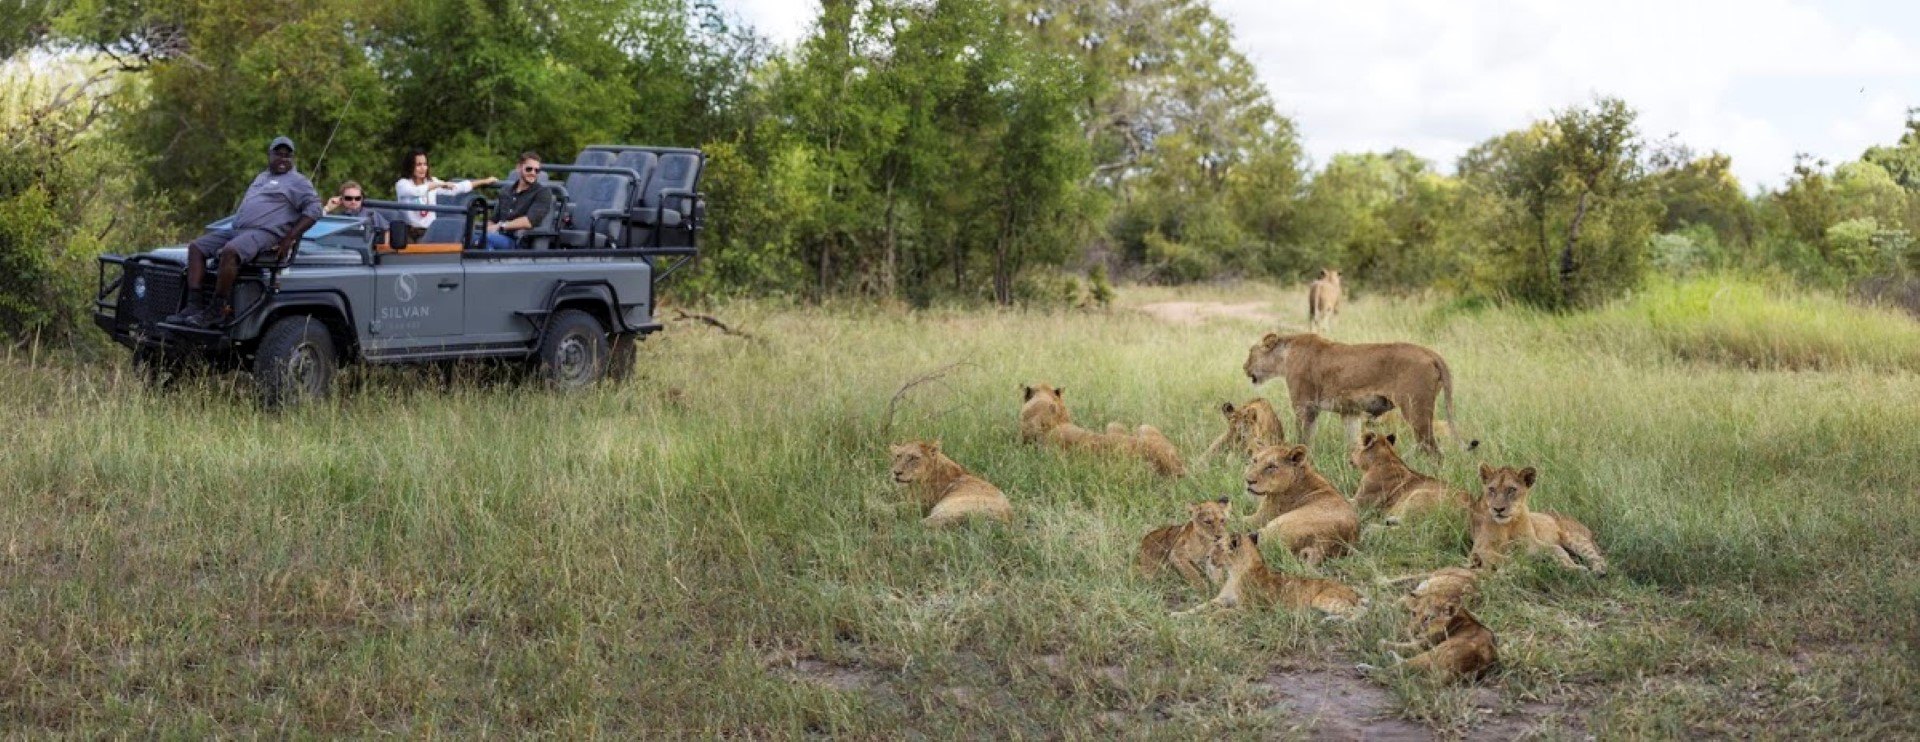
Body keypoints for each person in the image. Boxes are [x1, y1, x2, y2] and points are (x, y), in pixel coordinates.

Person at [165, 136, 321, 328]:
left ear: (292, 159)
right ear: (269, 156)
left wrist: (290, 238)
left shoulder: (298, 182)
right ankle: (193, 306)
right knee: (196, 247)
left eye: (287, 155)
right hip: (238, 230)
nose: (283, 158)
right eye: (278, 154)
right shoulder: (262, 177)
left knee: (231, 251)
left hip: (265, 233)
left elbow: (314, 210)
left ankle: (217, 310)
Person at [394, 149, 497, 241]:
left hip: (428, 232)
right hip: (407, 232)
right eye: (418, 165)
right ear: (410, 166)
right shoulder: (402, 184)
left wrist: (484, 181)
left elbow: (456, 189)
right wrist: (437, 185)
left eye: (425, 164)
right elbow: (416, 192)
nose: (423, 168)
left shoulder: (431, 181)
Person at [483, 151, 553, 251]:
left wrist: (500, 226)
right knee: (468, 237)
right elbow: (494, 219)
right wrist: (486, 229)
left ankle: (489, 265)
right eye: (529, 169)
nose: (533, 173)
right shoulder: (506, 191)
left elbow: (528, 221)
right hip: (498, 236)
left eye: (537, 170)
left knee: (486, 239)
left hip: (518, 241)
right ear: (519, 168)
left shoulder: (542, 193)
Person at [324, 180, 390, 238]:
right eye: (348, 198)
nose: (353, 201)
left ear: (361, 199)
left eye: (357, 198)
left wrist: (384, 248)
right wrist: (327, 208)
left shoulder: (371, 215)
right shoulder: (336, 218)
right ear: (341, 199)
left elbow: (387, 231)